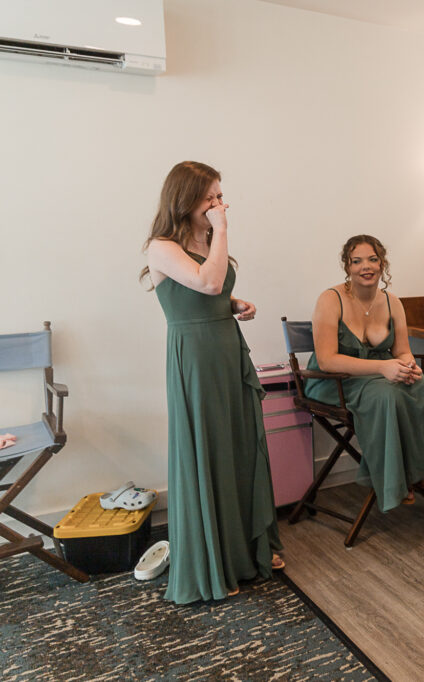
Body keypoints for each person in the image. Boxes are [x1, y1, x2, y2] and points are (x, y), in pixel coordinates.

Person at [142, 161, 283, 604]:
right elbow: (207, 280)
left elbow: (214, 290)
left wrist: (235, 303)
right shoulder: (160, 246)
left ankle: (246, 549)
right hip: (196, 357)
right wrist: (222, 232)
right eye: (211, 198)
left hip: (226, 347)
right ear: (185, 200)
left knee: (239, 445)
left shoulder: (204, 240)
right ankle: (214, 560)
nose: (220, 205)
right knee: (209, 448)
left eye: (221, 195)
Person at [304, 235, 424, 511]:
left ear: (382, 263)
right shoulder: (330, 299)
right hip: (335, 381)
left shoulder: (393, 302)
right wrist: (383, 366)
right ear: (347, 266)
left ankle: (420, 471)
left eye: (372, 259)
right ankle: (395, 482)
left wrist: (408, 366)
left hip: (381, 376)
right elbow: (327, 360)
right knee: (387, 396)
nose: (365, 267)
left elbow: (402, 350)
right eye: (357, 261)